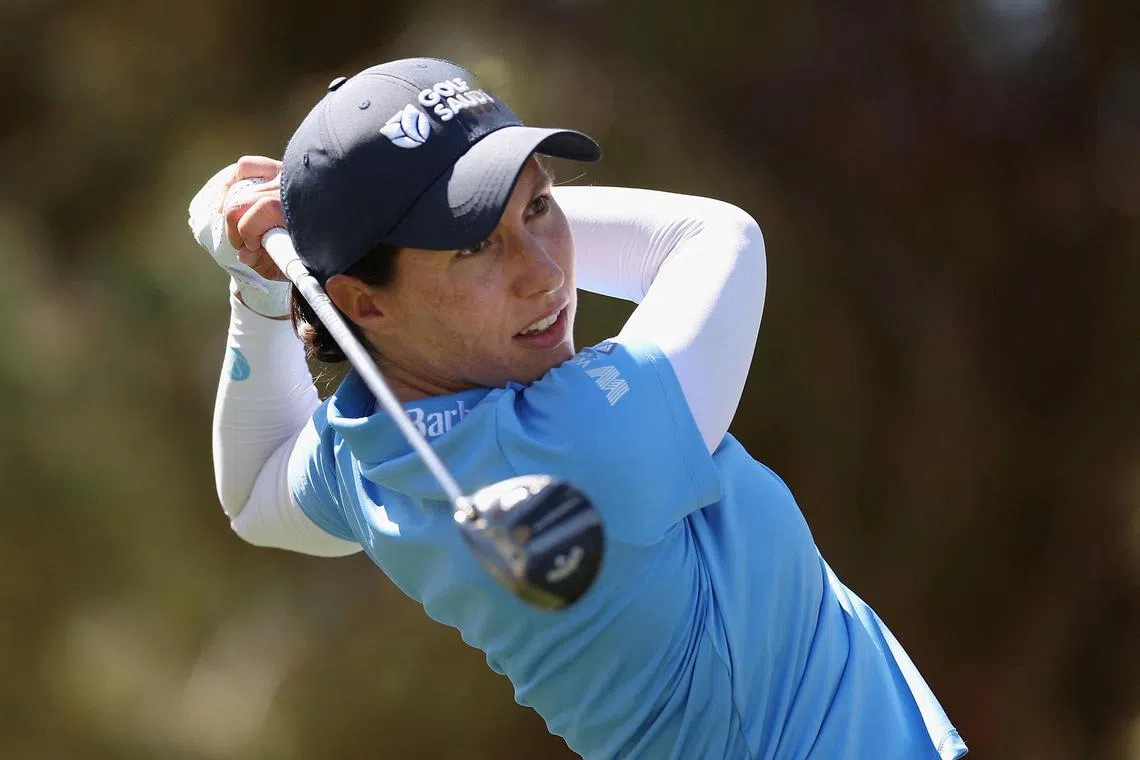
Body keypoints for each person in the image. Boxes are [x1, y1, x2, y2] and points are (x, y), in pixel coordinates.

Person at [189, 57, 967, 759]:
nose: (544, 275)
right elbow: (713, 236)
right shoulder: (588, 443)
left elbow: (255, 490)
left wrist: (262, 290)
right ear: (365, 303)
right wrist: (292, 272)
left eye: (539, 207)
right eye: (475, 249)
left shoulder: (369, 456)